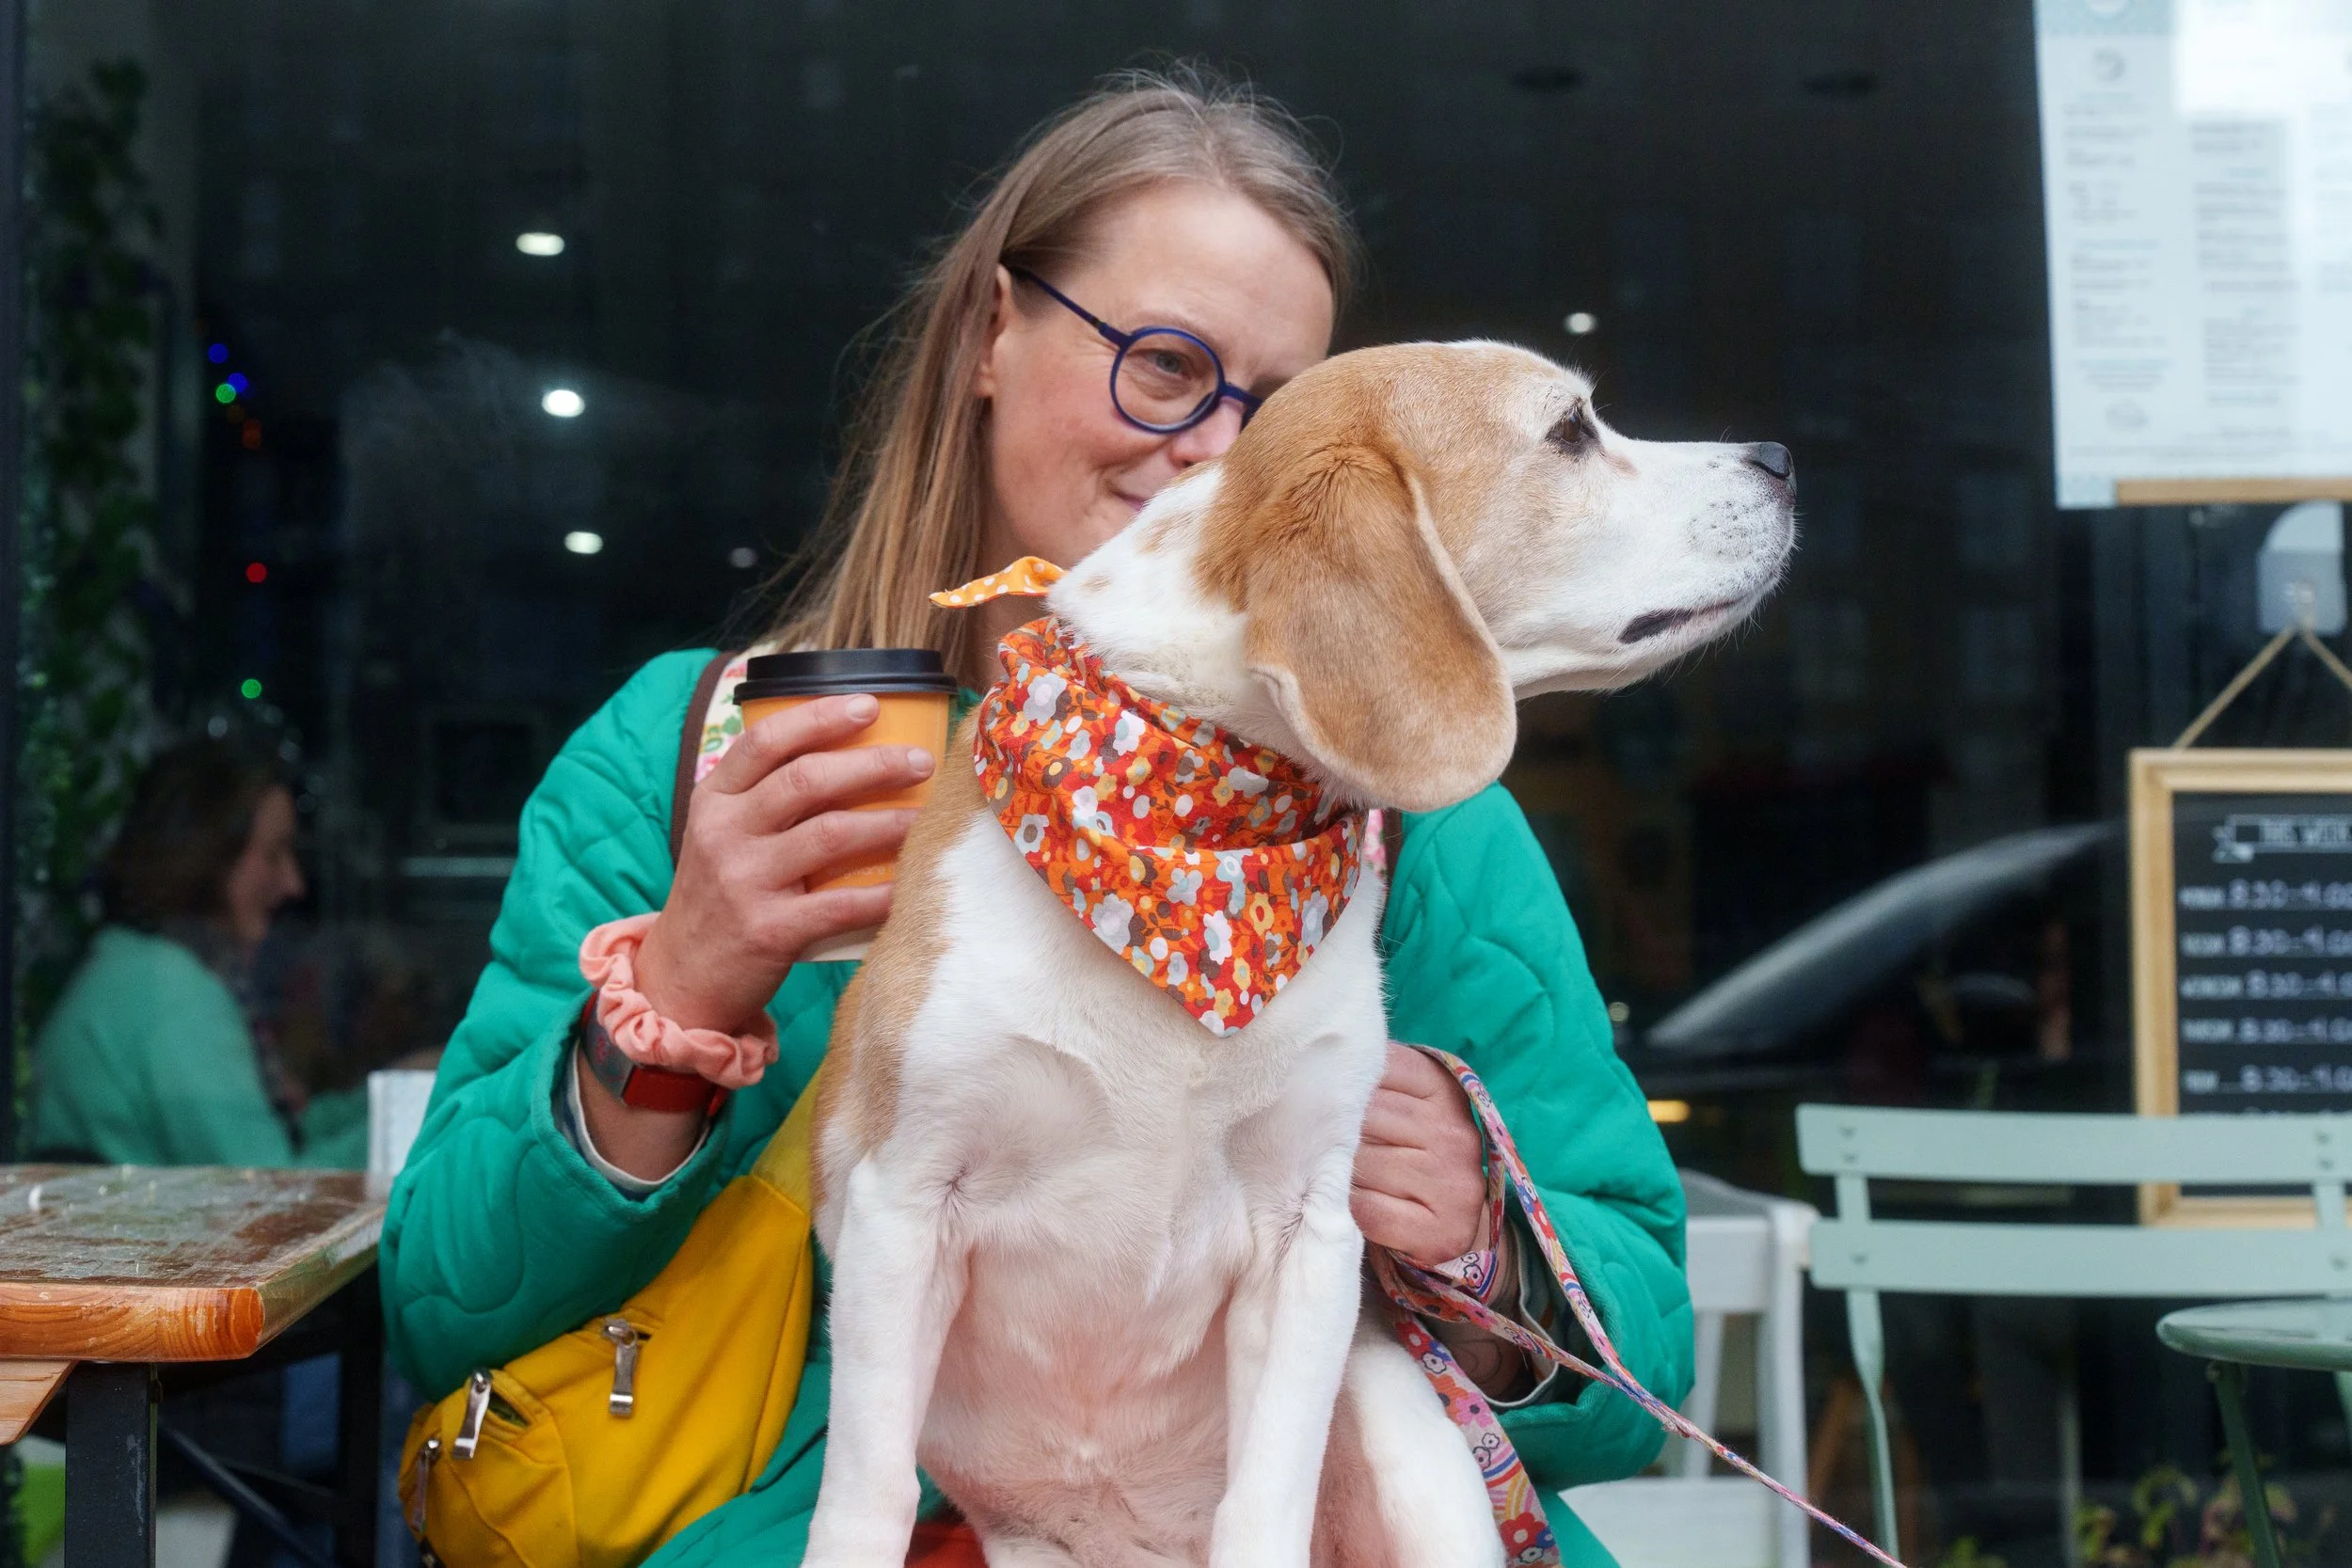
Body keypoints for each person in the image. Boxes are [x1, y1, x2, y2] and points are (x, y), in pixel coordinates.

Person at [381, 68, 1692, 1567]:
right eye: (1164, 363)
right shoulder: (705, 751)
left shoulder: (1408, 803)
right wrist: (674, 992)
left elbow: (1640, 1375)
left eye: (1277, 410)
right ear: (989, 331)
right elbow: (443, 1303)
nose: (1217, 452)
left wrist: (1481, 1226)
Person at [28, 738, 369, 1167]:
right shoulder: (167, 989)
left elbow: (270, 1132)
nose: (293, 883)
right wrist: (438, 1121)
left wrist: (397, 1096)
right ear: (209, 856)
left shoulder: (140, 965)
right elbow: (271, 1193)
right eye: (274, 854)